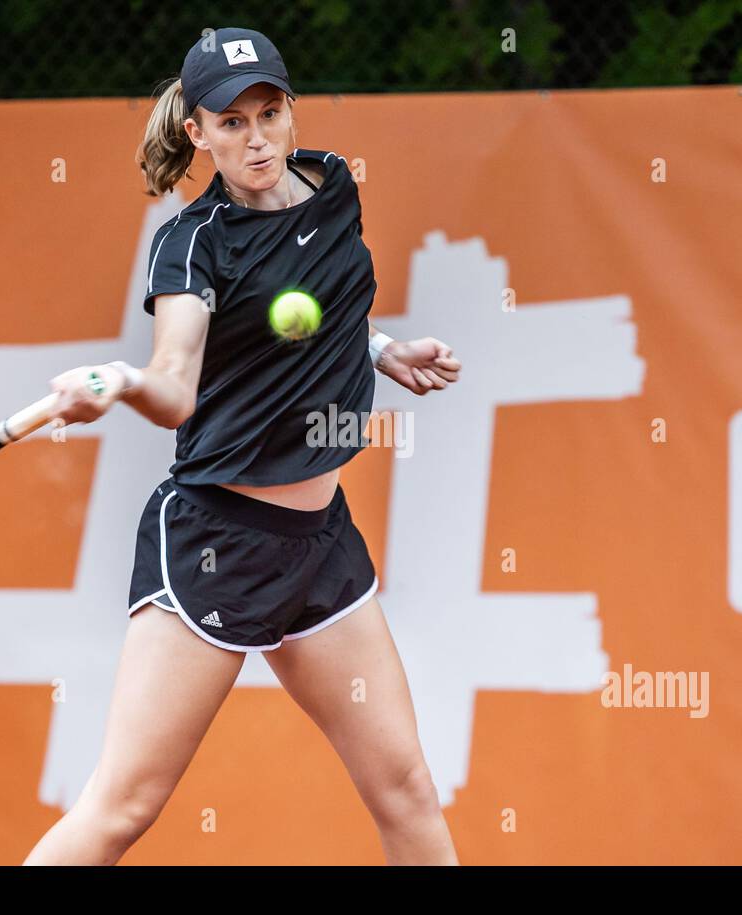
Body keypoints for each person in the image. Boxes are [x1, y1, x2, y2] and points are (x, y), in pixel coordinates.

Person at [24, 27, 461, 866]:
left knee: (406, 790)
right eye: (231, 123)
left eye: (269, 113)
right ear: (197, 132)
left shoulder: (332, 186)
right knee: (123, 807)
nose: (255, 138)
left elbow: (330, 305)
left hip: (321, 547)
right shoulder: (193, 243)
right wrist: (117, 382)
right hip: (216, 542)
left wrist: (381, 350)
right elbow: (176, 382)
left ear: (292, 111)